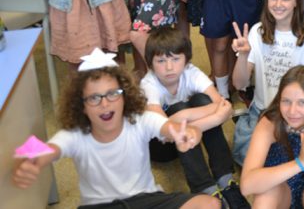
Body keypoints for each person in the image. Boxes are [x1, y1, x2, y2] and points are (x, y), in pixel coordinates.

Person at [12, 49, 219, 209]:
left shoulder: (140, 120)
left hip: (146, 199)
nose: (105, 104)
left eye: (113, 94)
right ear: (81, 105)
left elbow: (169, 127)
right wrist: (34, 161)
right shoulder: (76, 134)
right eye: (94, 98)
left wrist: (188, 133)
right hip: (99, 206)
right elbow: (51, 149)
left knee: (209, 204)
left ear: (125, 96)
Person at [139, 27, 247, 205]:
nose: (169, 67)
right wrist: (214, 118)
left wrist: (185, 118)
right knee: (179, 108)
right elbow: (164, 128)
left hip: (186, 134)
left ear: (186, 60)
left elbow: (224, 106)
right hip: (161, 145)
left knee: (201, 99)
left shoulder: (191, 72)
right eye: (161, 60)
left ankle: (225, 179)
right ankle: (204, 187)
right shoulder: (148, 84)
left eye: (175, 59)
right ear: (150, 63)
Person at [230, 0, 304, 165]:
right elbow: (239, 83)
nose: (278, 4)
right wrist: (243, 55)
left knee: (297, 161)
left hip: (296, 114)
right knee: (248, 156)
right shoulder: (257, 32)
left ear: (296, 1)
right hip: (264, 111)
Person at [240, 65, 304, 208]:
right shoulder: (270, 123)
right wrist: (299, 163)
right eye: (286, 101)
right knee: (266, 194)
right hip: (281, 193)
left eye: (302, 102)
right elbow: (246, 185)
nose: (292, 111)